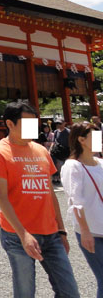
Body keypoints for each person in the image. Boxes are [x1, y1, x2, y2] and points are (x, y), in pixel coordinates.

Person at [0, 101, 80, 298]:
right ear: (10, 124)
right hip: (17, 234)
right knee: (25, 292)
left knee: (70, 292)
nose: (33, 128)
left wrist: (61, 230)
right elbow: (1, 198)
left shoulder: (41, 150)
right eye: (27, 123)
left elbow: (50, 193)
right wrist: (23, 235)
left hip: (51, 232)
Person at [61, 121, 103, 297]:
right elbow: (75, 200)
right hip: (91, 230)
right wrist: (84, 231)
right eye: (96, 137)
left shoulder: (100, 163)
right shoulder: (73, 166)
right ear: (81, 140)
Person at [51, 118, 71, 186]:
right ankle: (56, 178)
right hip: (58, 151)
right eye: (57, 123)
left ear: (64, 123)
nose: (58, 125)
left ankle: (66, 179)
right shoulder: (56, 132)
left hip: (66, 151)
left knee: (65, 165)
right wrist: (50, 149)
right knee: (57, 165)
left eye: (60, 123)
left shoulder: (68, 132)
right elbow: (53, 141)